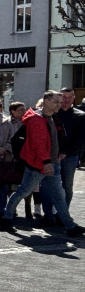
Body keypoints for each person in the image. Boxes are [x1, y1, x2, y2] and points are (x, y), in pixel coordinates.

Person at [0, 91, 84, 236]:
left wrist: (54, 158)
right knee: (24, 191)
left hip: (49, 162)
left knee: (58, 194)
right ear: (46, 102)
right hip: (39, 164)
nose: (60, 104)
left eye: (60, 101)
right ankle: (6, 218)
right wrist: (46, 162)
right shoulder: (37, 120)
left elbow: (52, 141)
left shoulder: (50, 117)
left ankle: (70, 225)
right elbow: (39, 144)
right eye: (56, 101)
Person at [55, 87, 85, 215]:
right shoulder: (53, 114)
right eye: (63, 97)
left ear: (74, 98)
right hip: (52, 155)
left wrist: (65, 152)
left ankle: (63, 213)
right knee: (50, 186)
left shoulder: (81, 116)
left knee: (67, 186)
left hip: (70, 156)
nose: (66, 100)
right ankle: (50, 214)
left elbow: (81, 139)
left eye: (69, 97)